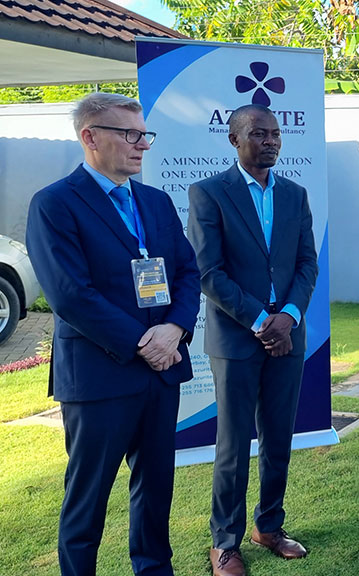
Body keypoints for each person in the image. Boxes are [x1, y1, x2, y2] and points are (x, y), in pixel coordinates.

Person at [25, 92, 201, 575]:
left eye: (145, 133)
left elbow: (188, 272)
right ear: (90, 138)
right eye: (130, 134)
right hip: (101, 376)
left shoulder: (155, 201)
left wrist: (174, 329)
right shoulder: (55, 204)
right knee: (88, 495)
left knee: (155, 486)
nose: (142, 144)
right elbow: (70, 294)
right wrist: (144, 343)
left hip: (160, 373)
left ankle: (153, 569)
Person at [187, 104, 319, 576]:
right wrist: (263, 320)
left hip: (288, 336)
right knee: (233, 443)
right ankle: (225, 542)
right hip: (238, 339)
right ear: (234, 140)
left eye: (276, 134)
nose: (271, 141)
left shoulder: (295, 195)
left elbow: (307, 265)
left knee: (279, 437)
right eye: (259, 134)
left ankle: (269, 526)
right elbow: (208, 273)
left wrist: (288, 316)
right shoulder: (208, 193)